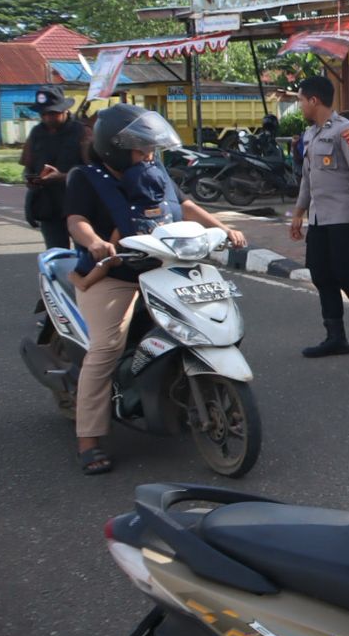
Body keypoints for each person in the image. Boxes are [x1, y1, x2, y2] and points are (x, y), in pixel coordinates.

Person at [64, 105, 246, 475]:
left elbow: (184, 204)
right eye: (140, 148)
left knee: (206, 321)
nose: (148, 155)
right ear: (114, 147)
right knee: (106, 347)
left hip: (164, 268)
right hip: (113, 275)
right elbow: (75, 220)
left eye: (149, 149)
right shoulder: (86, 177)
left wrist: (223, 229)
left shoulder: (152, 169)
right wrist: (96, 241)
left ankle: (195, 395)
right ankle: (88, 439)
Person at [288, 77, 349, 356]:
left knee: (344, 272)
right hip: (319, 218)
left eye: (300, 100)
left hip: (345, 216)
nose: (300, 105)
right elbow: (307, 179)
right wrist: (298, 213)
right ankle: (335, 337)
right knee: (320, 273)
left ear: (313, 101)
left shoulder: (347, 132)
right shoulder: (310, 135)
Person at [21, 84, 90, 249]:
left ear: (65, 110)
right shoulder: (36, 133)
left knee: (85, 254)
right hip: (48, 207)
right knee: (56, 255)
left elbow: (93, 172)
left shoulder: (83, 133)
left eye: (52, 113)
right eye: (43, 114)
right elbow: (27, 167)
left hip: (79, 206)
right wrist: (30, 179)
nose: (47, 118)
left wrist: (62, 176)